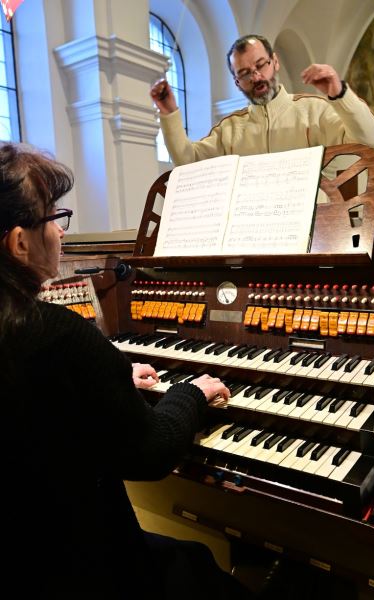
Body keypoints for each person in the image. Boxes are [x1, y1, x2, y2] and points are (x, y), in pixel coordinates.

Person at [0, 142, 257, 599]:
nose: (60, 232)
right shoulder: (57, 333)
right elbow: (151, 452)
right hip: (80, 564)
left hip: (23, 548)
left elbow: (43, 400)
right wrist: (191, 392)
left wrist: (110, 379)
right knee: (200, 567)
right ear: (19, 242)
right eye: (55, 218)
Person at [150, 33, 374, 167]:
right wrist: (169, 113)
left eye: (260, 65)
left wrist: (339, 93)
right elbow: (188, 162)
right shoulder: (229, 130)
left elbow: (368, 140)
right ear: (237, 83)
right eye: (244, 73)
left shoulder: (314, 111)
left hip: (315, 230)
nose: (256, 77)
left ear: (275, 62)